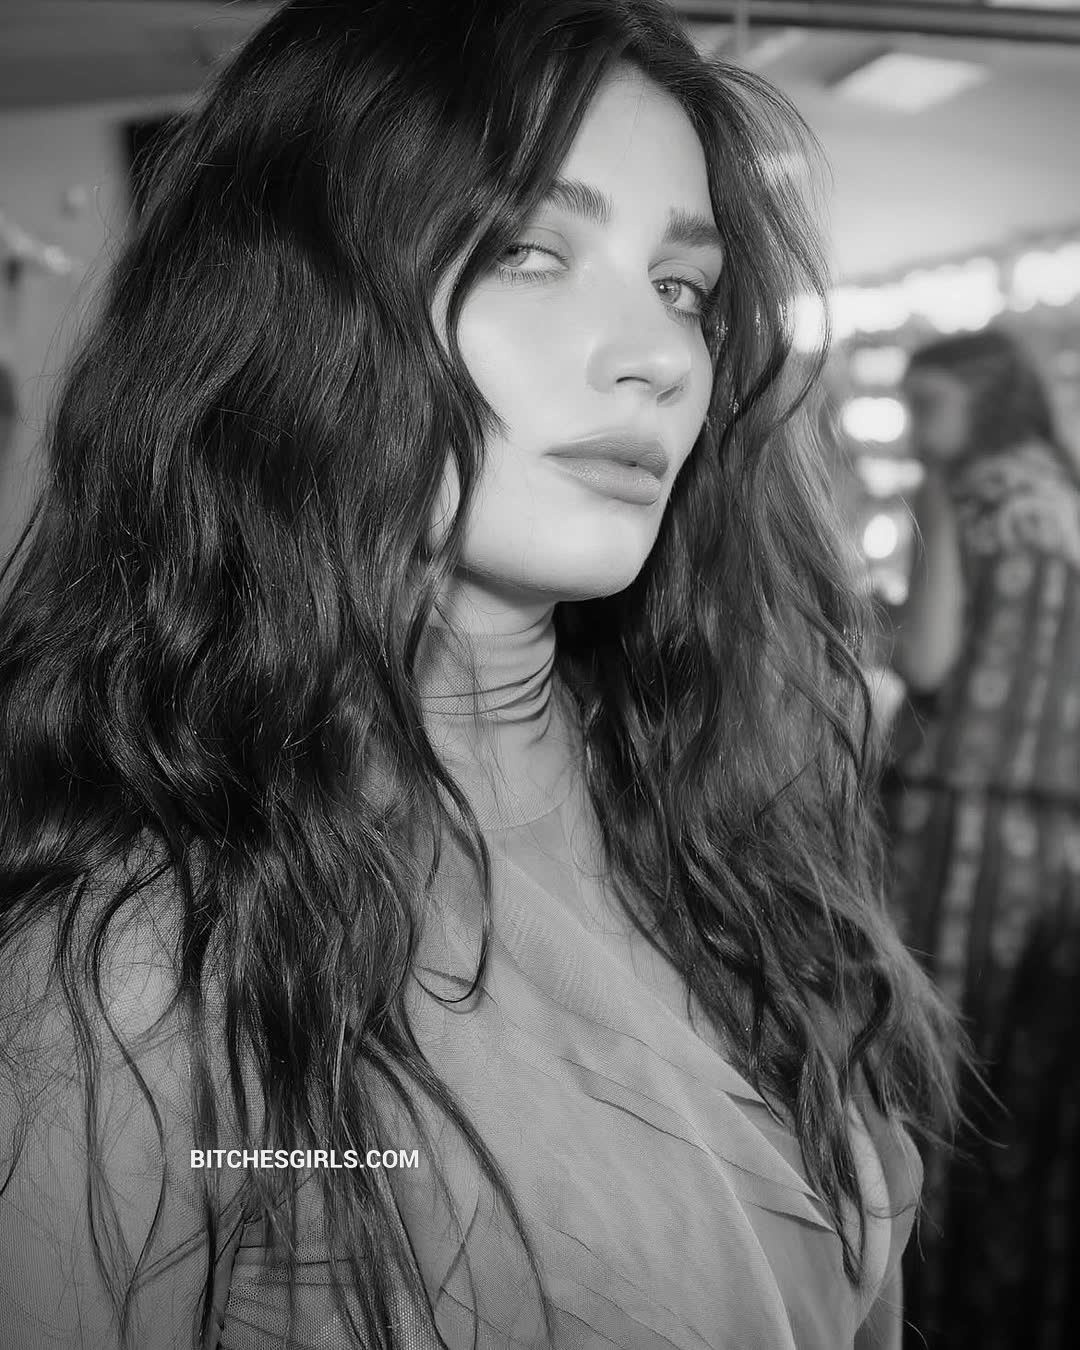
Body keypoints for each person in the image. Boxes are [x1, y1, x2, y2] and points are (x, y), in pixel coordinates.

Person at [0, 2, 959, 1347]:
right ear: (295, 301)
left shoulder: (727, 808)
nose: (659, 355)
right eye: (527, 251)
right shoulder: (131, 966)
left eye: (681, 286)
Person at [881, 327, 1080, 1350]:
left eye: (929, 408)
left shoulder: (960, 494)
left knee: (926, 1062)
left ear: (981, 405)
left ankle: (918, 1302)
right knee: (1017, 1077)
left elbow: (926, 659)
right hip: (1053, 831)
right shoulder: (1066, 497)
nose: (915, 431)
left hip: (953, 813)